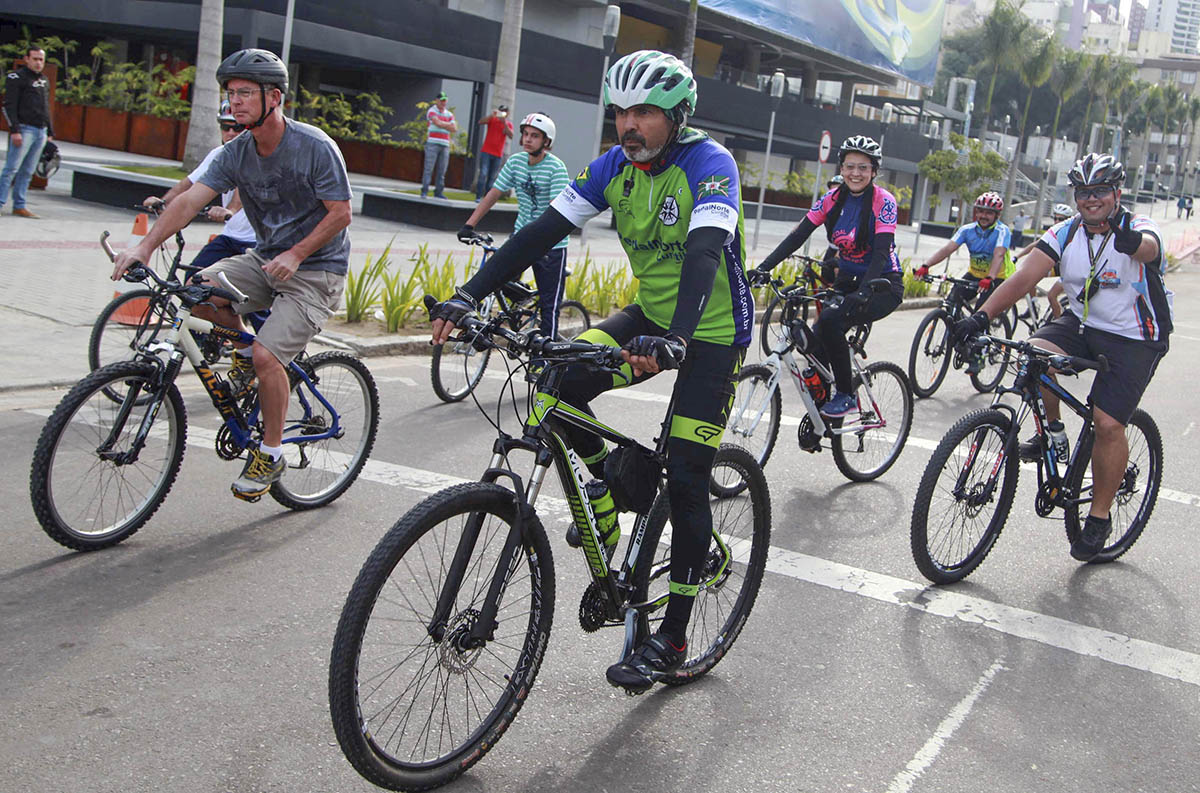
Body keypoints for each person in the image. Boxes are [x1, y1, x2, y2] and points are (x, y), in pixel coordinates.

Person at [431, 49, 754, 694]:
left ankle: (674, 635)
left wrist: (676, 340)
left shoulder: (709, 165)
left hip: (709, 333)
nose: (628, 126)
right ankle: (604, 495)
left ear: (677, 115)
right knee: (557, 381)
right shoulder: (613, 167)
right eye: (620, 113)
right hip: (648, 315)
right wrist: (470, 293)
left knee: (688, 474)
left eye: (644, 113)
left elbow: (703, 254)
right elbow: (539, 234)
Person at [111, 48, 352, 501]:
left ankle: (272, 451)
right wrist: (144, 245)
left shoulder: (314, 146)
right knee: (197, 290)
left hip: (317, 269)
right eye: (230, 93)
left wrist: (297, 254)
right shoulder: (236, 151)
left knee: (267, 357)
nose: (234, 102)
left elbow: (340, 214)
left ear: (274, 97)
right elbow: (189, 200)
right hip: (263, 260)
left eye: (245, 93)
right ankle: (242, 354)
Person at [953, 153, 1172, 562]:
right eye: (1084, 192)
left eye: (1100, 191)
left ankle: (1100, 517)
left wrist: (1130, 242)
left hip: (1135, 336)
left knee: (1107, 423)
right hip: (1083, 324)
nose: (1092, 200)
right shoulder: (1066, 232)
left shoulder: (1136, 225)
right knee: (1032, 357)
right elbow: (1024, 277)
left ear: (1116, 193)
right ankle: (1053, 432)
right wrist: (982, 315)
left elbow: (1149, 249)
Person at [751, 135, 905, 417]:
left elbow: (882, 252)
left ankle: (846, 395)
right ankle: (824, 405)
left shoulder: (884, 201)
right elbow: (797, 236)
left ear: (873, 171)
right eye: (850, 166)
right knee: (817, 335)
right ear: (842, 168)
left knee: (832, 321)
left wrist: (865, 291)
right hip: (848, 279)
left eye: (863, 167)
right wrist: (763, 267)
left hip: (883, 283)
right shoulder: (832, 199)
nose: (855, 173)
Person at [458, 112, 570, 336]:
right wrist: (469, 225)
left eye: (535, 136)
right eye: (526, 134)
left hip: (551, 244)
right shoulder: (516, 162)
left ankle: (546, 358)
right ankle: (521, 305)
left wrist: (541, 236)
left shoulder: (557, 168)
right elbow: (493, 193)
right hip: (521, 237)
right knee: (497, 280)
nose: (528, 139)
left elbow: (556, 211)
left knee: (550, 308)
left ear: (546, 141)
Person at [142, 100, 257, 271]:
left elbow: (243, 187)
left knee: (234, 289)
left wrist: (230, 210)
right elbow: (189, 183)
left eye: (237, 127)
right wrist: (164, 202)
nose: (231, 132)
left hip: (256, 242)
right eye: (226, 127)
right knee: (194, 279)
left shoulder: (253, 153)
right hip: (230, 236)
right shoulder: (218, 154)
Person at [913, 190, 1012, 373]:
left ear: (996, 216)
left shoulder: (1001, 231)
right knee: (951, 302)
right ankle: (959, 335)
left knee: (981, 313)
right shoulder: (967, 230)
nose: (984, 216)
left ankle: (979, 353)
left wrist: (990, 277)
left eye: (989, 213)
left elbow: (999, 255)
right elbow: (947, 249)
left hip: (997, 277)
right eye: (981, 211)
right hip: (974, 274)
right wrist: (925, 265)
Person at [0, 47, 53, 218]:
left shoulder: (44, 80)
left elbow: (46, 107)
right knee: (11, 168)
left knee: (28, 170)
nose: (38, 63)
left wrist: (50, 131)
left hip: (41, 130)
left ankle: (19, 205)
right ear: (27, 59)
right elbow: (8, 106)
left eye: (41, 60)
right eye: (35, 59)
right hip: (24, 129)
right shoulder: (16, 78)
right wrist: (15, 130)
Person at [1013, 202, 1072, 320]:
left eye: (1060, 219)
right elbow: (1036, 244)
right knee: (1031, 276)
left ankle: (1058, 324)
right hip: (1058, 266)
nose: (1056, 221)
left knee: (1052, 296)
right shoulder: (1055, 231)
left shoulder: (1073, 233)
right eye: (1055, 218)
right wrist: (1017, 257)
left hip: (1070, 269)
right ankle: (1034, 306)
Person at [421, 91, 456, 199]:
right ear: (437, 100)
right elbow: (437, 123)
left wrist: (443, 124)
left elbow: (454, 128)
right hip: (432, 143)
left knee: (442, 170)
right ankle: (425, 190)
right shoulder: (432, 111)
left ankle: (439, 192)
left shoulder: (449, 114)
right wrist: (447, 124)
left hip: (445, 144)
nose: (443, 102)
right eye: (441, 100)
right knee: (429, 168)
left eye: (445, 100)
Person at [474, 104, 513, 200]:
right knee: (483, 173)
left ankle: (487, 198)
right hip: (486, 152)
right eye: (501, 111)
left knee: (492, 178)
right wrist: (492, 115)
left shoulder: (508, 124)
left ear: (507, 114)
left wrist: (504, 123)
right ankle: (478, 196)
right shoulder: (492, 120)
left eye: (504, 112)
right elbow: (481, 122)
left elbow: (511, 135)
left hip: (498, 154)